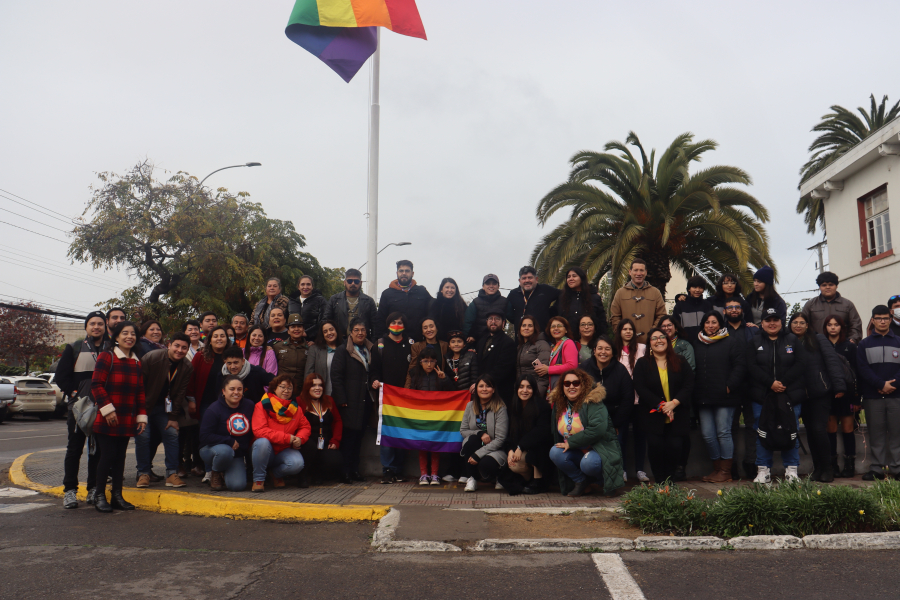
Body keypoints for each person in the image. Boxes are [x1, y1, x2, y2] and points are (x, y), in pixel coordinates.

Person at [90, 321, 147, 513]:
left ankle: (117, 496)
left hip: (126, 416)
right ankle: (99, 495)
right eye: (125, 333)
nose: (129, 337)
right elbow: (96, 384)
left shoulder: (136, 361)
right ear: (116, 336)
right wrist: (108, 409)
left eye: (133, 334)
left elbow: (140, 391)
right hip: (108, 416)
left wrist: (141, 416)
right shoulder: (107, 357)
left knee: (120, 458)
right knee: (106, 456)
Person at [747, 308, 806, 483]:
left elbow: (801, 364)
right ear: (762, 323)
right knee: (761, 431)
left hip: (789, 395)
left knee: (791, 430)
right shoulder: (754, 341)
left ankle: (792, 470)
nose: (772, 323)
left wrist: (782, 383)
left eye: (775, 319)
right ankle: (763, 470)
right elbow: (751, 366)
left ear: (781, 322)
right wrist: (770, 383)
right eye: (768, 320)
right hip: (763, 396)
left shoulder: (792, 340)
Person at [58, 311, 110, 509]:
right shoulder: (74, 347)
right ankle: (70, 491)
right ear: (86, 327)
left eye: (99, 324)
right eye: (92, 324)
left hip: (103, 406)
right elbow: (61, 377)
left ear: (105, 326)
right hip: (79, 408)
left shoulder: (111, 347)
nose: (96, 327)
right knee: (74, 449)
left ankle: (93, 489)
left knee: (97, 451)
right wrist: (74, 394)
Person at [789, 312, 847, 482]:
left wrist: (839, 385)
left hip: (819, 392)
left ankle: (828, 469)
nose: (798, 325)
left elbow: (832, 362)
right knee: (811, 433)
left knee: (819, 430)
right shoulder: (787, 341)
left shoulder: (818, 339)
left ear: (807, 325)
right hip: (799, 394)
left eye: (802, 322)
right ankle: (818, 468)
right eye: (795, 322)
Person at [549, 368, 625, 497]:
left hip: (599, 450)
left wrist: (571, 442)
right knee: (555, 452)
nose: (571, 386)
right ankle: (581, 481)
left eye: (576, 383)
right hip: (577, 450)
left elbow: (597, 430)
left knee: (589, 463)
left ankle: (603, 481)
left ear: (583, 385)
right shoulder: (560, 404)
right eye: (567, 384)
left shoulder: (592, 402)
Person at [633, 328, 694, 483]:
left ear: (668, 341)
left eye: (662, 337)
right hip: (652, 415)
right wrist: (661, 406)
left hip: (677, 414)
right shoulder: (642, 363)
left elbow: (689, 384)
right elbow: (640, 387)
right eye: (654, 338)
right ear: (649, 344)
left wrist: (673, 403)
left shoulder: (680, 360)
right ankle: (660, 483)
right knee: (655, 448)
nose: (658, 340)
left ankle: (670, 482)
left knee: (675, 448)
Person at [692, 311, 746, 483]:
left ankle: (726, 471)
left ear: (720, 324)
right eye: (707, 322)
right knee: (708, 434)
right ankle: (717, 470)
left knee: (723, 432)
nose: (710, 325)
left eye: (714, 322)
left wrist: (730, 385)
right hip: (703, 396)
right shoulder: (697, 342)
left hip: (725, 396)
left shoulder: (731, 341)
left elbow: (740, 366)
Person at [135, 333, 193, 489]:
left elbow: (180, 393)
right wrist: (140, 412)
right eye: (177, 346)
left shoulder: (186, 366)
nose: (179, 350)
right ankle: (143, 473)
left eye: (184, 348)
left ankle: (172, 474)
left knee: (172, 433)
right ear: (169, 344)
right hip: (144, 407)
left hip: (164, 408)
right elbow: (139, 386)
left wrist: (173, 417)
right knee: (143, 436)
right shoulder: (152, 358)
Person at [332, 317, 382, 483]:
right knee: (349, 438)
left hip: (366, 399)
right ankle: (345, 471)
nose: (360, 333)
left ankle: (355, 470)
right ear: (350, 333)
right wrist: (341, 399)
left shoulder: (371, 349)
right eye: (356, 330)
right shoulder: (342, 351)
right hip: (349, 401)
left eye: (363, 330)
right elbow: (336, 376)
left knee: (359, 437)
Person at [579, 336, 634, 482]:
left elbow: (627, 399)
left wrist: (616, 423)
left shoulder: (620, 370)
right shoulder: (584, 368)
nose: (603, 352)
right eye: (600, 348)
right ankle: (590, 478)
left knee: (617, 443)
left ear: (612, 352)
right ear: (594, 350)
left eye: (607, 349)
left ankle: (617, 474)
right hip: (588, 420)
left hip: (615, 419)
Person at [856, 305, 900, 481]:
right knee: (876, 433)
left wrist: (891, 385)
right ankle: (877, 468)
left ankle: (897, 467)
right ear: (873, 320)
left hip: (896, 395)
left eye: (886, 318)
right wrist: (880, 384)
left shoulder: (898, 341)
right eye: (878, 318)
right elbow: (862, 369)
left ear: (890, 319)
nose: (882, 321)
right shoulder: (864, 344)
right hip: (873, 396)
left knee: (897, 433)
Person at [373, 312, 414, 484]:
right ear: (388, 324)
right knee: (388, 434)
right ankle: (387, 470)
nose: (397, 325)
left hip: (405, 398)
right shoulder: (380, 344)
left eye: (400, 322)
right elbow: (374, 368)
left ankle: (398, 469)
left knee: (402, 434)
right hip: (387, 398)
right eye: (393, 322)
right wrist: (374, 381)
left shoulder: (411, 344)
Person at [251, 374, 310, 491]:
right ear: (274, 388)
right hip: (263, 451)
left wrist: (299, 438)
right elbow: (259, 431)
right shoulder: (262, 406)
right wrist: (287, 438)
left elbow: (305, 426)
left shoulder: (296, 409)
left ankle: (275, 474)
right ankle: (258, 479)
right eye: (282, 387)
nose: (286, 390)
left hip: (284, 450)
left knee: (297, 464)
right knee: (262, 442)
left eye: (289, 388)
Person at [406, 347, 455, 485]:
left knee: (434, 445)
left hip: (437, 417)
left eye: (432, 361)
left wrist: (444, 379)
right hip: (420, 416)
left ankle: (434, 475)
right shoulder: (415, 375)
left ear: (436, 362)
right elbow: (410, 394)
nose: (429, 364)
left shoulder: (441, 375)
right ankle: (423, 475)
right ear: (420, 362)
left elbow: (452, 393)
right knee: (422, 445)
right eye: (425, 361)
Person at [497, 375, 553, 495]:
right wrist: (511, 450)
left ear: (534, 389)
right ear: (516, 388)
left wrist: (520, 447)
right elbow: (510, 433)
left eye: (529, 387)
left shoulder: (542, 406)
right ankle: (529, 480)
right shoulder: (513, 406)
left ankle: (539, 481)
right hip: (521, 447)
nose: (525, 390)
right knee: (513, 465)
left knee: (538, 449)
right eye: (521, 387)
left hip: (539, 447)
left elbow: (541, 431)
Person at [199, 375, 254, 492]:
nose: (236, 392)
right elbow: (204, 436)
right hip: (212, 450)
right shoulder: (214, 409)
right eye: (232, 389)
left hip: (236, 454)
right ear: (223, 391)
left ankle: (226, 470)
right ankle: (216, 472)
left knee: (237, 486)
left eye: (239, 389)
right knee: (225, 451)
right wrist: (228, 441)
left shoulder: (249, 406)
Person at [723, 298, 757, 480]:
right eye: (730, 307)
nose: (734, 310)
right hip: (730, 387)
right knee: (731, 427)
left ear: (742, 310)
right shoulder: (720, 332)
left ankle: (751, 462)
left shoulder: (753, 330)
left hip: (752, 386)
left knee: (753, 426)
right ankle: (732, 464)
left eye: (737, 307)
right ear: (724, 311)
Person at [613, 317, 649, 481]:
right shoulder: (614, 350)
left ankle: (640, 470)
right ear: (619, 332)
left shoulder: (642, 348)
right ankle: (622, 469)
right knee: (621, 438)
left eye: (630, 329)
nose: (627, 332)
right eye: (624, 329)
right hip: (622, 402)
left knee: (641, 436)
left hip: (640, 401)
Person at [824, 315, 860, 478]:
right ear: (825, 328)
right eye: (829, 325)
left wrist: (856, 398)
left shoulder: (850, 347)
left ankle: (849, 465)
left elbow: (856, 373)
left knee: (847, 429)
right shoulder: (820, 346)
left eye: (836, 325)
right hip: (828, 395)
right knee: (830, 430)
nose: (833, 328)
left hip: (847, 395)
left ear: (841, 327)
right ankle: (832, 465)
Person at [460, 374, 508, 492]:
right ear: (476, 389)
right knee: (471, 441)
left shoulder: (500, 408)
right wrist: (480, 433)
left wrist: (478, 455)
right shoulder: (470, 406)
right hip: (476, 444)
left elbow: (500, 438)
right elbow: (463, 430)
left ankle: (498, 477)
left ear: (494, 390)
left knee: (486, 464)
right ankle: (472, 478)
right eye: (481, 386)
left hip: (495, 448)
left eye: (488, 386)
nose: (484, 389)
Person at [298, 373, 343, 486]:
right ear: (307, 387)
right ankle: (302, 476)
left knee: (335, 460)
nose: (317, 388)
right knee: (310, 448)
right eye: (313, 385)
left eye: (320, 385)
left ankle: (319, 475)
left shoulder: (329, 400)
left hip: (325, 442)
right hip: (306, 443)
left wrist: (335, 440)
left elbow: (338, 421)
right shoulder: (299, 401)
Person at [374, 260, 433, 341]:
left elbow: (432, 311)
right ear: (397, 273)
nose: (404, 273)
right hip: (394, 341)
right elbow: (380, 320)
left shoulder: (421, 291)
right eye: (401, 271)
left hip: (418, 341)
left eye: (407, 271)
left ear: (412, 273)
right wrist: (380, 341)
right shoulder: (387, 294)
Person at [609, 259, 666, 340]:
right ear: (630, 272)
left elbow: (661, 315)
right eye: (635, 270)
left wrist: (653, 332)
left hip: (650, 341)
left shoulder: (655, 292)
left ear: (646, 272)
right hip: (627, 342)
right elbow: (615, 317)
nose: (639, 274)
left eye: (641, 270)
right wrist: (622, 334)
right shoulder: (620, 293)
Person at [801, 272, 863, 343]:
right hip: (817, 347)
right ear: (819, 287)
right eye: (824, 285)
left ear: (836, 286)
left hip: (842, 347)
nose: (827, 287)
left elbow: (856, 324)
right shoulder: (810, 305)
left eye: (831, 285)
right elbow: (802, 324)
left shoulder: (848, 305)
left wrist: (853, 339)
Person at [474, 310, 518, 401]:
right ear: (486, 322)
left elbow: (502, 369)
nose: (493, 321)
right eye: (490, 319)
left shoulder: (508, 343)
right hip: (482, 392)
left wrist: (483, 383)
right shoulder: (482, 340)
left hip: (500, 393)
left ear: (503, 323)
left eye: (497, 319)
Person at [188, 325, 231, 418]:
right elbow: (190, 378)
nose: (219, 339)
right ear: (210, 341)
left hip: (228, 402)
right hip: (205, 403)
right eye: (215, 336)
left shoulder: (232, 357)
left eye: (222, 336)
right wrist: (191, 400)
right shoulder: (200, 356)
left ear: (227, 340)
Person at [323, 269, 378, 340]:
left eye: (356, 281)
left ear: (361, 283)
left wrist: (372, 344)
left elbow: (375, 325)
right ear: (344, 282)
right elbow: (326, 321)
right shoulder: (334, 299)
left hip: (362, 343)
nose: (353, 283)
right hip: (339, 342)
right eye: (349, 281)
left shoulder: (369, 301)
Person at [506, 266, 560, 332]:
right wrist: (518, 320)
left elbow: (563, 295)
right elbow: (508, 312)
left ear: (536, 279)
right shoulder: (513, 294)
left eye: (530, 278)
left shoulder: (545, 290)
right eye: (524, 278)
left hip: (543, 336)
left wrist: (552, 312)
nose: (527, 280)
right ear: (519, 281)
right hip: (521, 337)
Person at [557, 267, 607, 337]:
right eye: (568, 277)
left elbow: (601, 321)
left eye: (574, 276)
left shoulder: (594, 297)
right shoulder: (562, 298)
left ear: (582, 278)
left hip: (590, 340)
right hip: (568, 340)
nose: (571, 279)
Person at [534, 316, 579, 391]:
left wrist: (548, 369)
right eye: (553, 326)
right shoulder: (553, 346)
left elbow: (572, 366)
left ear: (566, 330)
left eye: (559, 326)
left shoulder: (568, 343)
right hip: (555, 386)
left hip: (566, 387)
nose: (556, 328)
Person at [464, 273, 509, 342]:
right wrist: (468, 337)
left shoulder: (505, 302)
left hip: (499, 340)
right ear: (483, 286)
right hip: (478, 340)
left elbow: (514, 318)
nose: (491, 286)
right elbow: (467, 322)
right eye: (488, 283)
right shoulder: (475, 303)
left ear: (498, 286)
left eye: (494, 283)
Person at [672, 275, 714, 346]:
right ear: (689, 289)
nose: (697, 290)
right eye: (694, 287)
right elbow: (675, 325)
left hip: (705, 344)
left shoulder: (707, 305)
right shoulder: (680, 305)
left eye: (700, 287)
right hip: (685, 344)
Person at [304, 320, 343, 395]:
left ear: (336, 330)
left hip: (342, 396)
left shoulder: (345, 348)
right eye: (325, 331)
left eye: (331, 329)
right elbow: (309, 374)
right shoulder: (315, 349)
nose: (329, 333)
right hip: (321, 394)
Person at [515, 316, 551, 396]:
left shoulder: (541, 345)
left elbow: (543, 376)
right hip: (522, 392)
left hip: (534, 393)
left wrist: (536, 395)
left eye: (530, 326)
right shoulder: (520, 347)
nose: (526, 328)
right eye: (524, 325)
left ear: (535, 328)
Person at [288, 275, 326, 345]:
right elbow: (287, 320)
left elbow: (324, 320)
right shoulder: (292, 302)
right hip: (294, 340)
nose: (305, 287)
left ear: (312, 286)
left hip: (314, 340)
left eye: (308, 284)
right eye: (302, 284)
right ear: (298, 287)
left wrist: (308, 333)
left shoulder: (320, 300)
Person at [273, 314, 308, 390]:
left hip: (302, 390)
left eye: (299, 326)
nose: (296, 329)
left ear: (303, 329)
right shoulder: (277, 347)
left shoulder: (310, 348)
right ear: (288, 331)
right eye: (293, 327)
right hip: (282, 389)